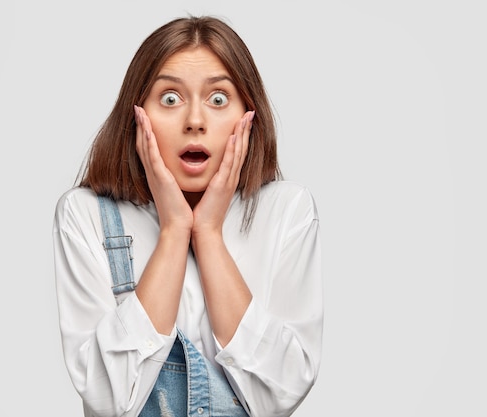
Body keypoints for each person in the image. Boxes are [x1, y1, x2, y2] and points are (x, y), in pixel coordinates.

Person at [53, 16, 322, 417]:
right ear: (136, 115)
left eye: (218, 99)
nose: (194, 121)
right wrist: (175, 230)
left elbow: (280, 394)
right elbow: (109, 401)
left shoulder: (287, 211)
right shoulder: (86, 213)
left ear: (248, 115)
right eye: (170, 99)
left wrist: (208, 233)